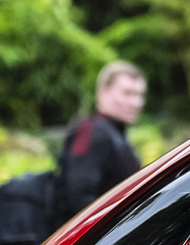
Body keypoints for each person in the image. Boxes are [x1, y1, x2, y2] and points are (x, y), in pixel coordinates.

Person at [54, 60, 147, 225]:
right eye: (127, 93)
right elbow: (79, 196)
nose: (137, 103)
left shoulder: (114, 133)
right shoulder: (91, 132)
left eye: (140, 95)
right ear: (103, 93)